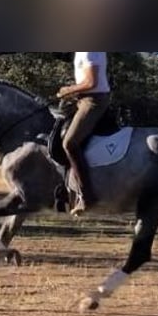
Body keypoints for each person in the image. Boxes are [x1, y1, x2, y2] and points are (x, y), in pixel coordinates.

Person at [56, 52, 111, 216]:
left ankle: (87, 196)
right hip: (82, 99)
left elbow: (91, 82)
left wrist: (68, 90)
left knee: (70, 143)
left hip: (92, 101)